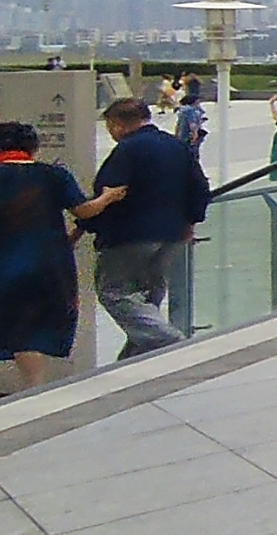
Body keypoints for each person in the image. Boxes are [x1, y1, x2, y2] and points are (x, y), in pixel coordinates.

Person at [0, 122, 125, 408]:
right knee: (30, 331)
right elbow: (83, 210)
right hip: (42, 266)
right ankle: (33, 396)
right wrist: (107, 197)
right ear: (30, 147)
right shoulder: (53, 175)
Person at [88, 98, 207, 359]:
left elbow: (109, 192)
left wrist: (87, 225)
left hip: (129, 234)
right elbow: (199, 187)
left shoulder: (128, 150)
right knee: (148, 296)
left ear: (118, 125)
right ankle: (133, 360)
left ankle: (171, 341)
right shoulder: (176, 146)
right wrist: (190, 221)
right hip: (173, 233)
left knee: (115, 293)